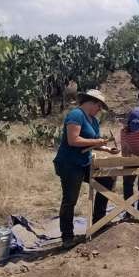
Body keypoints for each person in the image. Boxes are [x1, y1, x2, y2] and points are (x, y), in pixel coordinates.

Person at [52, 89, 118, 248]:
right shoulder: (76, 115)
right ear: (93, 103)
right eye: (99, 106)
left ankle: (98, 222)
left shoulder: (94, 121)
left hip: (85, 162)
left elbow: (93, 142)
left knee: (107, 180)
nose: (99, 110)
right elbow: (73, 140)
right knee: (70, 200)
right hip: (70, 164)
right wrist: (96, 142)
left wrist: (107, 149)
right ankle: (67, 237)